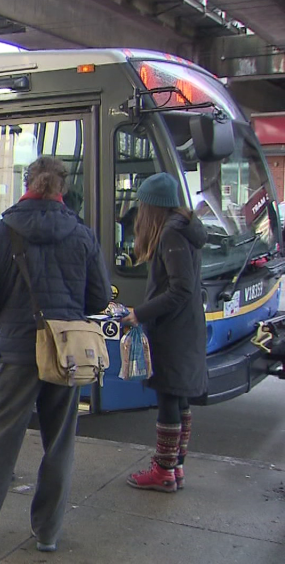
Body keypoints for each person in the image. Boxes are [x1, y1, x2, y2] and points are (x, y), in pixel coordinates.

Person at [0, 156, 111, 552]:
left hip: (18, 350)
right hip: (66, 352)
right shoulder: (83, 234)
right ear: (63, 189)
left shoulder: (2, 233)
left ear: (27, 183)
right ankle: (48, 532)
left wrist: (7, 322)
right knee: (60, 443)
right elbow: (100, 298)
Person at [122, 172, 206, 492]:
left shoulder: (170, 234)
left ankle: (163, 472)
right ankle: (175, 467)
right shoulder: (185, 228)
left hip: (173, 331)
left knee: (169, 398)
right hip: (185, 327)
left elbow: (179, 289)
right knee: (179, 399)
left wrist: (138, 314)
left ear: (152, 208)